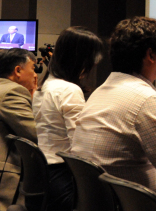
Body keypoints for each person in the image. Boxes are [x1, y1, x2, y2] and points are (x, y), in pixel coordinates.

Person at [71, 17, 156, 197]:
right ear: (150, 55)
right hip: (134, 201)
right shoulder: (146, 98)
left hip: (94, 199)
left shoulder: (100, 91)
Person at [33, 27, 103, 211]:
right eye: (94, 56)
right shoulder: (69, 90)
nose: (96, 62)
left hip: (44, 172)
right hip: (63, 177)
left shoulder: (45, 86)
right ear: (81, 58)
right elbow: (80, 145)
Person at [0, 48, 38, 209]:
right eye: (33, 68)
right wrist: (34, 98)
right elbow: (35, 134)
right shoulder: (13, 91)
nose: (36, 75)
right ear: (18, 70)